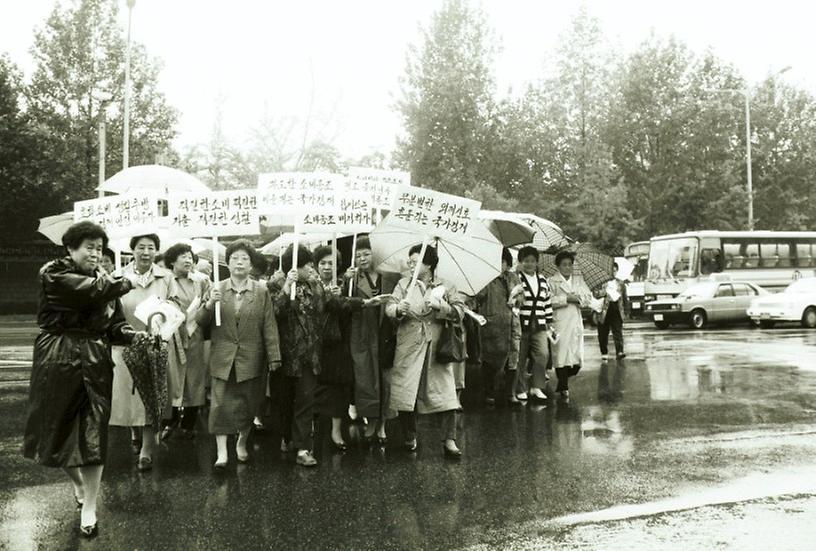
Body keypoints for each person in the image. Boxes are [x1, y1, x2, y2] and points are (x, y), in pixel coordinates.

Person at [22, 221, 140, 538]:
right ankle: (76, 484)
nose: (95, 253)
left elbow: (115, 325)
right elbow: (88, 293)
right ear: (71, 248)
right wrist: (123, 282)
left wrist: (134, 336)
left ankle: (90, 504)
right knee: (56, 431)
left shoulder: (104, 280)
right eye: (89, 247)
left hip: (96, 359)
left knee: (93, 432)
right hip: (57, 357)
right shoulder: (54, 274)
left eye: (100, 248)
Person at [272, 245, 385, 466]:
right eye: (307, 266)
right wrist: (287, 287)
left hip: (309, 356)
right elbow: (275, 312)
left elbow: (335, 303)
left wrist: (364, 302)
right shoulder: (276, 285)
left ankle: (304, 448)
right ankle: (288, 438)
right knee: (284, 401)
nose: (312, 269)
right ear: (293, 267)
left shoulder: (315, 286)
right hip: (284, 356)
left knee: (305, 401)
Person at [197, 239, 281, 471]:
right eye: (235, 258)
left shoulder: (261, 290)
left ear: (251, 264)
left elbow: (269, 324)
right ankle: (222, 453)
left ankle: (242, 443)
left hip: (251, 357)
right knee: (220, 405)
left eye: (245, 258)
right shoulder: (216, 289)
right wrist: (208, 305)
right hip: (222, 356)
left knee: (248, 404)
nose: (240, 262)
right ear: (228, 262)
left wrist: (274, 356)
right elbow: (200, 323)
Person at [385, 244, 466, 459]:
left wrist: (442, 307)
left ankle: (449, 439)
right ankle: (409, 435)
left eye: (415, 262)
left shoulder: (446, 286)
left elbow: (460, 312)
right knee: (406, 392)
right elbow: (389, 308)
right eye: (409, 262)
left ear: (428, 264)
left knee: (446, 393)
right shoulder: (403, 284)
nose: (410, 265)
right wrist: (398, 310)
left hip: (436, 346)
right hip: (409, 344)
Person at [109, 233, 172, 472]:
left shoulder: (166, 277)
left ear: (157, 251)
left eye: (151, 248)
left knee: (149, 396)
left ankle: (146, 450)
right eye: (141, 247)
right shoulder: (118, 276)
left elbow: (174, 305)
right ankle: (134, 433)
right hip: (125, 343)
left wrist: (163, 319)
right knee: (128, 396)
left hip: (154, 344)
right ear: (132, 250)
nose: (146, 252)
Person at [346, 237, 399, 444]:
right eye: (358, 255)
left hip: (386, 333)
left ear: (374, 253)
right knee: (366, 379)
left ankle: (383, 423)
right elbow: (345, 304)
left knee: (386, 381)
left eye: (366, 253)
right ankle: (371, 421)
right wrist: (346, 282)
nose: (362, 258)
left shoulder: (391, 277)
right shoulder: (352, 279)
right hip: (363, 334)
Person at [161, 243, 211, 440]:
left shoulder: (202, 281)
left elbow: (210, 306)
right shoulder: (165, 280)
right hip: (171, 335)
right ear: (172, 260)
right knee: (171, 377)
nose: (188, 259)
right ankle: (169, 420)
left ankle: (188, 422)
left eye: (190, 256)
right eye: (182, 256)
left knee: (194, 378)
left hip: (194, 334)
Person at [473, 248, 522, 405]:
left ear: (507, 264)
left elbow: (523, 298)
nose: (499, 265)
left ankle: (510, 393)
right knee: (490, 360)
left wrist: (517, 298)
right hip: (493, 327)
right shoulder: (486, 280)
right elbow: (476, 298)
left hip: (513, 325)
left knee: (512, 359)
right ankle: (490, 393)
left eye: (502, 262)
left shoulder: (514, 277)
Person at [513, 246, 556, 403]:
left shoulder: (543, 280)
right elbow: (512, 301)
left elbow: (547, 302)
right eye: (526, 261)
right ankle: (521, 388)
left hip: (539, 324)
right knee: (520, 357)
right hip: (521, 323)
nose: (529, 264)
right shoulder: (516, 279)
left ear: (537, 263)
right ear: (520, 262)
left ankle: (536, 386)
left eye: (532, 261)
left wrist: (549, 322)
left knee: (543, 354)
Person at [547, 251, 592, 399]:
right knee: (561, 355)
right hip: (560, 321)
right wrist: (566, 298)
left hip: (575, 321)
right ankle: (563, 385)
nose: (567, 268)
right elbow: (548, 301)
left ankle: (563, 382)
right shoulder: (551, 281)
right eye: (564, 265)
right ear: (558, 266)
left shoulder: (579, 280)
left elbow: (588, 298)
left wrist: (579, 299)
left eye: (570, 264)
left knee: (576, 358)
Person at [596, 262, 628, 361]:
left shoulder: (621, 283)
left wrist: (626, 311)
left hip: (617, 310)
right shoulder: (601, 282)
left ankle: (620, 351)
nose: (613, 272)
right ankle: (604, 352)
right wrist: (605, 292)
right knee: (603, 333)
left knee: (618, 332)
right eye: (611, 270)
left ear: (617, 271)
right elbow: (595, 294)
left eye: (615, 270)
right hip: (604, 311)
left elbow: (625, 297)